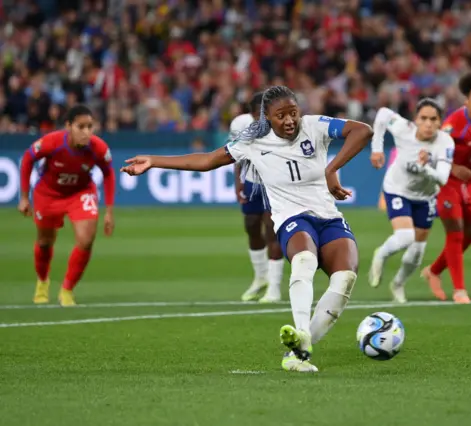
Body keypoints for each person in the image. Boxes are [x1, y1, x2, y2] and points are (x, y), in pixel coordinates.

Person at [121, 85, 373, 373]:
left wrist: (331, 169)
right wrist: (154, 162)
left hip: (328, 216)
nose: (290, 120)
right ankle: (301, 331)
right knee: (304, 260)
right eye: (281, 116)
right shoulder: (252, 142)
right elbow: (206, 161)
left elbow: (363, 130)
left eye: (293, 113)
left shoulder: (315, 126)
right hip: (292, 217)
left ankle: (300, 349)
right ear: (267, 117)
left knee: (345, 279)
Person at [18, 105, 116, 307]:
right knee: (45, 242)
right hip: (48, 194)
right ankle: (43, 282)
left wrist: (109, 211)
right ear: (68, 126)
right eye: (81, 127)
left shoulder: (99, 148)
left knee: (86, 239)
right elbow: (28, 158)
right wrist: (24, 197)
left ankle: (67, 290)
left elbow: (108, 173)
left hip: (80, 193)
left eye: (90, 127)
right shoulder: (52, 142)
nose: (87, 132)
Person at [420, 70, 471, 304]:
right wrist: (453, 168)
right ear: (467, 101)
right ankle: (460, 290)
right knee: (455, 233)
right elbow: (430, 150)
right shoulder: (453, 123)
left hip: (468, 178)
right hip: (446, 179)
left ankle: (433, 271)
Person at [368, 99, 454, 303]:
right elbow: (382, 113)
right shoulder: (403, 129)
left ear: (440, 122)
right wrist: (377, 149)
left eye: (434, 119)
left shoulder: (445, 142)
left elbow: (442, 178)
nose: (428, 124)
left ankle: (398, 284)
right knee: (406, 237)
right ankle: (381, 253)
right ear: (415, 120)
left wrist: (424, 168)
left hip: (425, 197)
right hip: (397, 189)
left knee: (417, 252)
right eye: (423, 118)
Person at [232, 92, 285, 303]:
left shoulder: (282, 125)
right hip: (251, 182)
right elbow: (236, 153)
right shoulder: (239, 124)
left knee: (271, 231)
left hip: (276, 184)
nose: (259, 120)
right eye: (255, 115)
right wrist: (238, 181)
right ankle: (260, 277)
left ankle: (274, 288)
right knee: (251, 226)